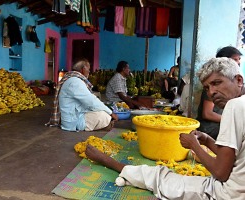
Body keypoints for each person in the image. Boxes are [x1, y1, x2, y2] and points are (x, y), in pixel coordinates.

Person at [85, 57, 245, 199]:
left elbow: (221, 173)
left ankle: (114, 164)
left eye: (217, 83)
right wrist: (207, 140)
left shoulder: (234, 106)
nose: (211, 92)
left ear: (238, 80)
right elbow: (234, 158)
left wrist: (194, 145)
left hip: (226, 193)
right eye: (207, 87)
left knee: (162, 177)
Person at [46, 58, 118, 131]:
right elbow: (91, 101)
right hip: (73, 122)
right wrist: (111, 113)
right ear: (83, 69)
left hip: (75, 116)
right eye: (88, 70)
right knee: (104, 115)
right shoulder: (75, 81)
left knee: (101, 111)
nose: (89, 72)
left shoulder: (72, 79)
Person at [197, 46, 242, 139]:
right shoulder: (212, 88)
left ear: (239, 81)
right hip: (210, 128)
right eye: (234, 60)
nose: (238, 62)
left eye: (239, 59)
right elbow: (207, 113)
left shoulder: (239, 100)